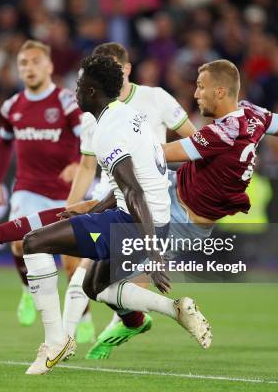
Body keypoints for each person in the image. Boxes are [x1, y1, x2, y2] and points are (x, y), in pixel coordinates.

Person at [0, 59, 278, 361]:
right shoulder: (254, 115)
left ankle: (101, 328)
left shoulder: (217, 135)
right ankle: (2, 237)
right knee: (87, 230)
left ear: (221, 90)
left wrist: (119, 139)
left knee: (102, 274)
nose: (195, 94)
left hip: (179, 221)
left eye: (200, 87)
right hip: (171, 188)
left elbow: (158, 154)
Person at [17, 54, 211, 375]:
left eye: (80, 84)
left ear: (92, 92)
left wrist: (154, 254)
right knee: (95, 287)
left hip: (132, 224)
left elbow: (133, 191)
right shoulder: (130, 116)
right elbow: (129, 186)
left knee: (33, 242)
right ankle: (175, 310)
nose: (75, 90)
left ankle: (56, 341)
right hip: (150, 222)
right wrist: (91, 210)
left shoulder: (107, 130)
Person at [62, 42, 196, 354]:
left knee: (97, 281)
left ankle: (65, 342)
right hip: (108, 199)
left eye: (114, 68)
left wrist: (186, 183)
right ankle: (130, 321)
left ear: (127, 69)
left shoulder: (155, 98)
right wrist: (72, 205)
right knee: (89, 279)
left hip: (146, 205)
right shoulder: (90, 115)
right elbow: (86, 165)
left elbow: (195, 141)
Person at [0, 40, 83, 328]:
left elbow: (85, 136)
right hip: (28, 187)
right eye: (24, 63)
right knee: (19, 245)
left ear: (50, 66)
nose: (29, 67)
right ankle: (28, 291)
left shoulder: (65, 101)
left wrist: (78, 162)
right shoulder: (12, 106)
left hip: (66, 193)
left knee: (71, 262)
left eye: (36, 61)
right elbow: (3, 144)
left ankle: (83, 315)